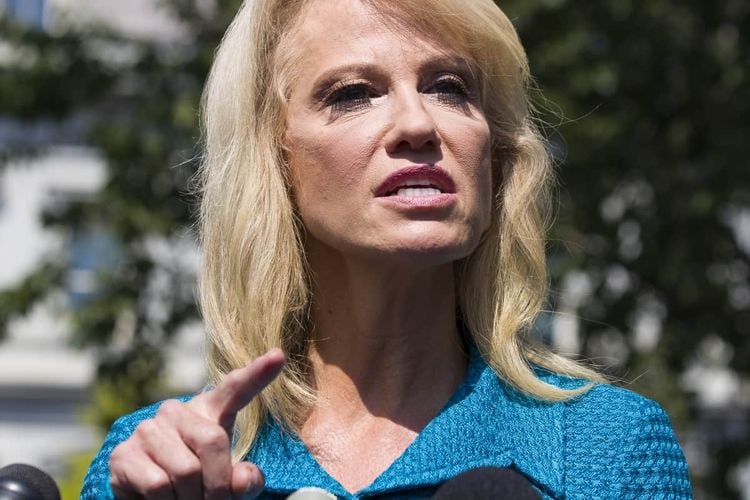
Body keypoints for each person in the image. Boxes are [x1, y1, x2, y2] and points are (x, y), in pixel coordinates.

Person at [81, 0, 692, 498]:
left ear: (498, 157)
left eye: (449, 87)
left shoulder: (609, 448)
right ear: (276, 160)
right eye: (352, 93)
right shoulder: (159, 468)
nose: (418, 123)